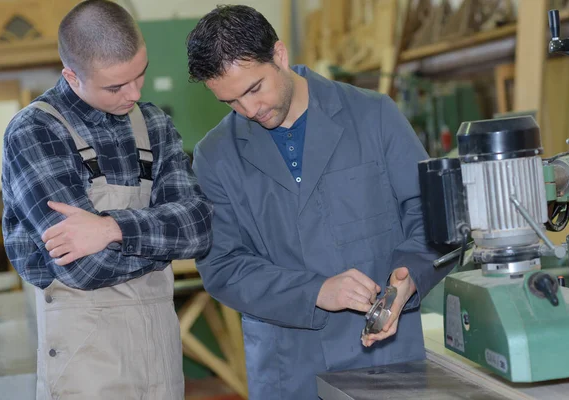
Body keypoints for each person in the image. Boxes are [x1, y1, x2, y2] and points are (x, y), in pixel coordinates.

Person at [187, 5, 448, 400]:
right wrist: (315, 292)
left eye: (254, 89)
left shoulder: (374, 115)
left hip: (385, 358)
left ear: (280, 56)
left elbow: (432, 215)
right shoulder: (215, 156)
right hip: (288, 371)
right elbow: (223, 266)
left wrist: (409, 276)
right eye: (231, 103)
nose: (250, 111)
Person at [2, 1, 213, 399]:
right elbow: (84, 266)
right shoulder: (35, 132)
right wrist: (162, 236)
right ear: (72, 75)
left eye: (140, 74)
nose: (134, 93)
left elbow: (199, 228)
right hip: (89, 365)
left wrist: (110, 228)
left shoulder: (153, 123)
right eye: (116, 86)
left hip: (162, 361)